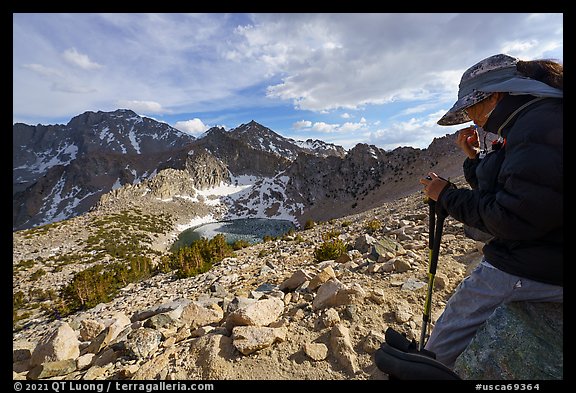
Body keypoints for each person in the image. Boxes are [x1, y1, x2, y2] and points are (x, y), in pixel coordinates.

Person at [419, 53, 563, 370]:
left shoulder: (538, 127)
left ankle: (428, 365)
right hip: (548, 250)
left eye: (472, 105)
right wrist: (472, 157)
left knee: (475, 292)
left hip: (541, 259)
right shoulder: (533, 120)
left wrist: (445, 195)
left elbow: (508, 219)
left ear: (495, 95)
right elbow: (505, 189)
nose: (470, 116)